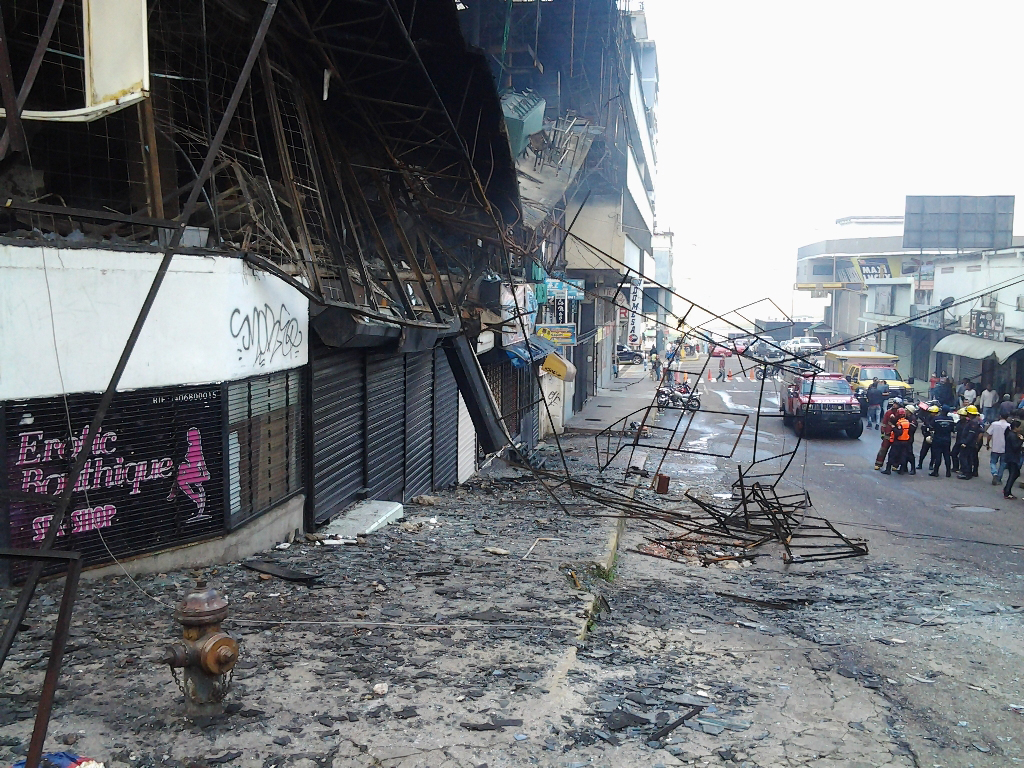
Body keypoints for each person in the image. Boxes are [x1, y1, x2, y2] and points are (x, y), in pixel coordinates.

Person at [882, 408, 913, 475]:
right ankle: (901, 470)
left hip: (898, 441)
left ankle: (888, 470)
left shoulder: (899, 423)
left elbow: (899, 432)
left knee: (891, 455)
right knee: (903, 456)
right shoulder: (907, 422)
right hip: (905, 442)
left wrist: (893, 428)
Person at [875, 399, 903, 470]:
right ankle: (878, 464)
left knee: (896, 451)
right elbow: (884, 423)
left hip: (896, 434)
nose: (894, 405)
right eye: (894, 403)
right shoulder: (888, 412)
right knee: (883, 449)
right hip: (888, 433)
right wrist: (882, 432)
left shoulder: (901, 413)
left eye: (896, 404)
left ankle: (895, 465)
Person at [957, 405, 983, 479]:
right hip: (971, 443)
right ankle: (969, 472)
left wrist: (965, 442)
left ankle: (966, 473)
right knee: (969, 458)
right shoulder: (975, 421)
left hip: (969, 443)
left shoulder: (973, 423)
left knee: (964, 458)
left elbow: (971, 434)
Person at [928, 406, 955, 477]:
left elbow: (930, 427)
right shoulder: (951, 419)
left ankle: (936, 471)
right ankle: (948, 472)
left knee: (938, 456)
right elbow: (953, 429)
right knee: (947, 456)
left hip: (937, 439)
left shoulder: (936, 419)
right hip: (947, 439)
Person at [986, 412, 1011, 485]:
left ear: (1000, 416)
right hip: (1005, 447)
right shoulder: (1009, 426)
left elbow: (989, 434)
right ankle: (999, 478)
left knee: (993, 462)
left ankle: (994, 473)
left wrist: (987, 443)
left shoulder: (994, 424)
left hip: (995, 446)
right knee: (1003, 463)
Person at [1003, 420, 1022, 499]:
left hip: (1011, 456)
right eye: (1019, 427)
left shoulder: (1012, 434)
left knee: (1015, 473)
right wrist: (1021, 440)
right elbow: (1015, 447)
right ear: (1015, 428)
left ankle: (1007, 489)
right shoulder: (1012, 436)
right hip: (1012, 457)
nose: (1020, 429)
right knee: (1013, 474)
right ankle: (1007, 491)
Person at [917, 404, 939, 470]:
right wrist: (926, 434)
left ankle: (931, 464)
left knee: (934, 452)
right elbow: (923, 427)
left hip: (934, 437)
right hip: (927, 436)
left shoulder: (937, 420)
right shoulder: (927, 419)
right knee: (923, 451)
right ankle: (920, 464)